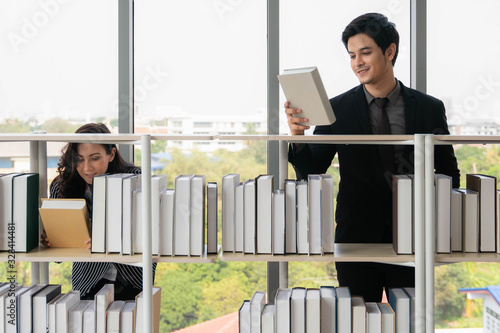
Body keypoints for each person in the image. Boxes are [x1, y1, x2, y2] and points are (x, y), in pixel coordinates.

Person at [286, 13, 460, 302]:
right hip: (355, 238)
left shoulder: (429, 108)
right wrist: (297, 136)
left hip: (412, 237)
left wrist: (443, 229)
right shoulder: (337, 109)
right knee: (357, 321)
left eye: (365, 52)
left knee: (409, 321)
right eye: (352, 55)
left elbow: (448, 173)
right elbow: (311, 170)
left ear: (389, 51)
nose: (358, 63)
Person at [43, 123, 156, 300]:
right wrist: (52, 241)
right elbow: (58, 257)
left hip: (133, 278)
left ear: (111, 154)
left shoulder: (136, 178)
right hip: (88, 281)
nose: (87, 168)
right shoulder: (62, 186)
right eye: (79, 159)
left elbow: (150, 232)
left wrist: (105, 237)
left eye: (94, 158)